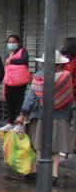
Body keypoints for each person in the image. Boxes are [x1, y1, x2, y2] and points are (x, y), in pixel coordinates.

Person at [17, 50, 73, 184]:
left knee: (33, 147)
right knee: (54, 148)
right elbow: (70, 98)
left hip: (40, 117)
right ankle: (53, 176)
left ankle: (31, 172)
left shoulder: (40, 76)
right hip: (60, 117)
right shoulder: (67, 78)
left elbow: (31, 97)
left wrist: (22, 114)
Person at [3, 34, 31, 124]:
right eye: (9, 42)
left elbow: (24, 60)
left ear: (18, 43)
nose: (11, 44)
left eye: (14, 42)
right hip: (9, 81)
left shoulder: (22, 51)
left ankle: (19, 122)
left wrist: (11, 61)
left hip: (19, 82)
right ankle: (10, 122)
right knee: (10, 102)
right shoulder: (9, 54)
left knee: (18, 101)